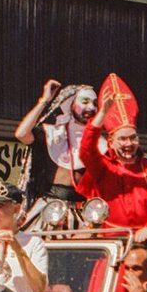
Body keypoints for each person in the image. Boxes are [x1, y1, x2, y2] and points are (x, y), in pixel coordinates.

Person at [78, 73, 147, 240]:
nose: (128, 143)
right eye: (122, 139)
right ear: (110, 142)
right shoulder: (103, 167)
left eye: (133, 138)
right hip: (109, 243)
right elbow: (86, 150)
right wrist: (103, 112)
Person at [16, 78, 96, 219]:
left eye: (95, 104)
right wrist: (44, 100)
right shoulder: (51, 133)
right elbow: (21, 134)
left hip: (84, 214)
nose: (91, 107)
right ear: (70, 103)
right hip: (49, 210)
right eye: (85, 102)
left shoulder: (99, 142)